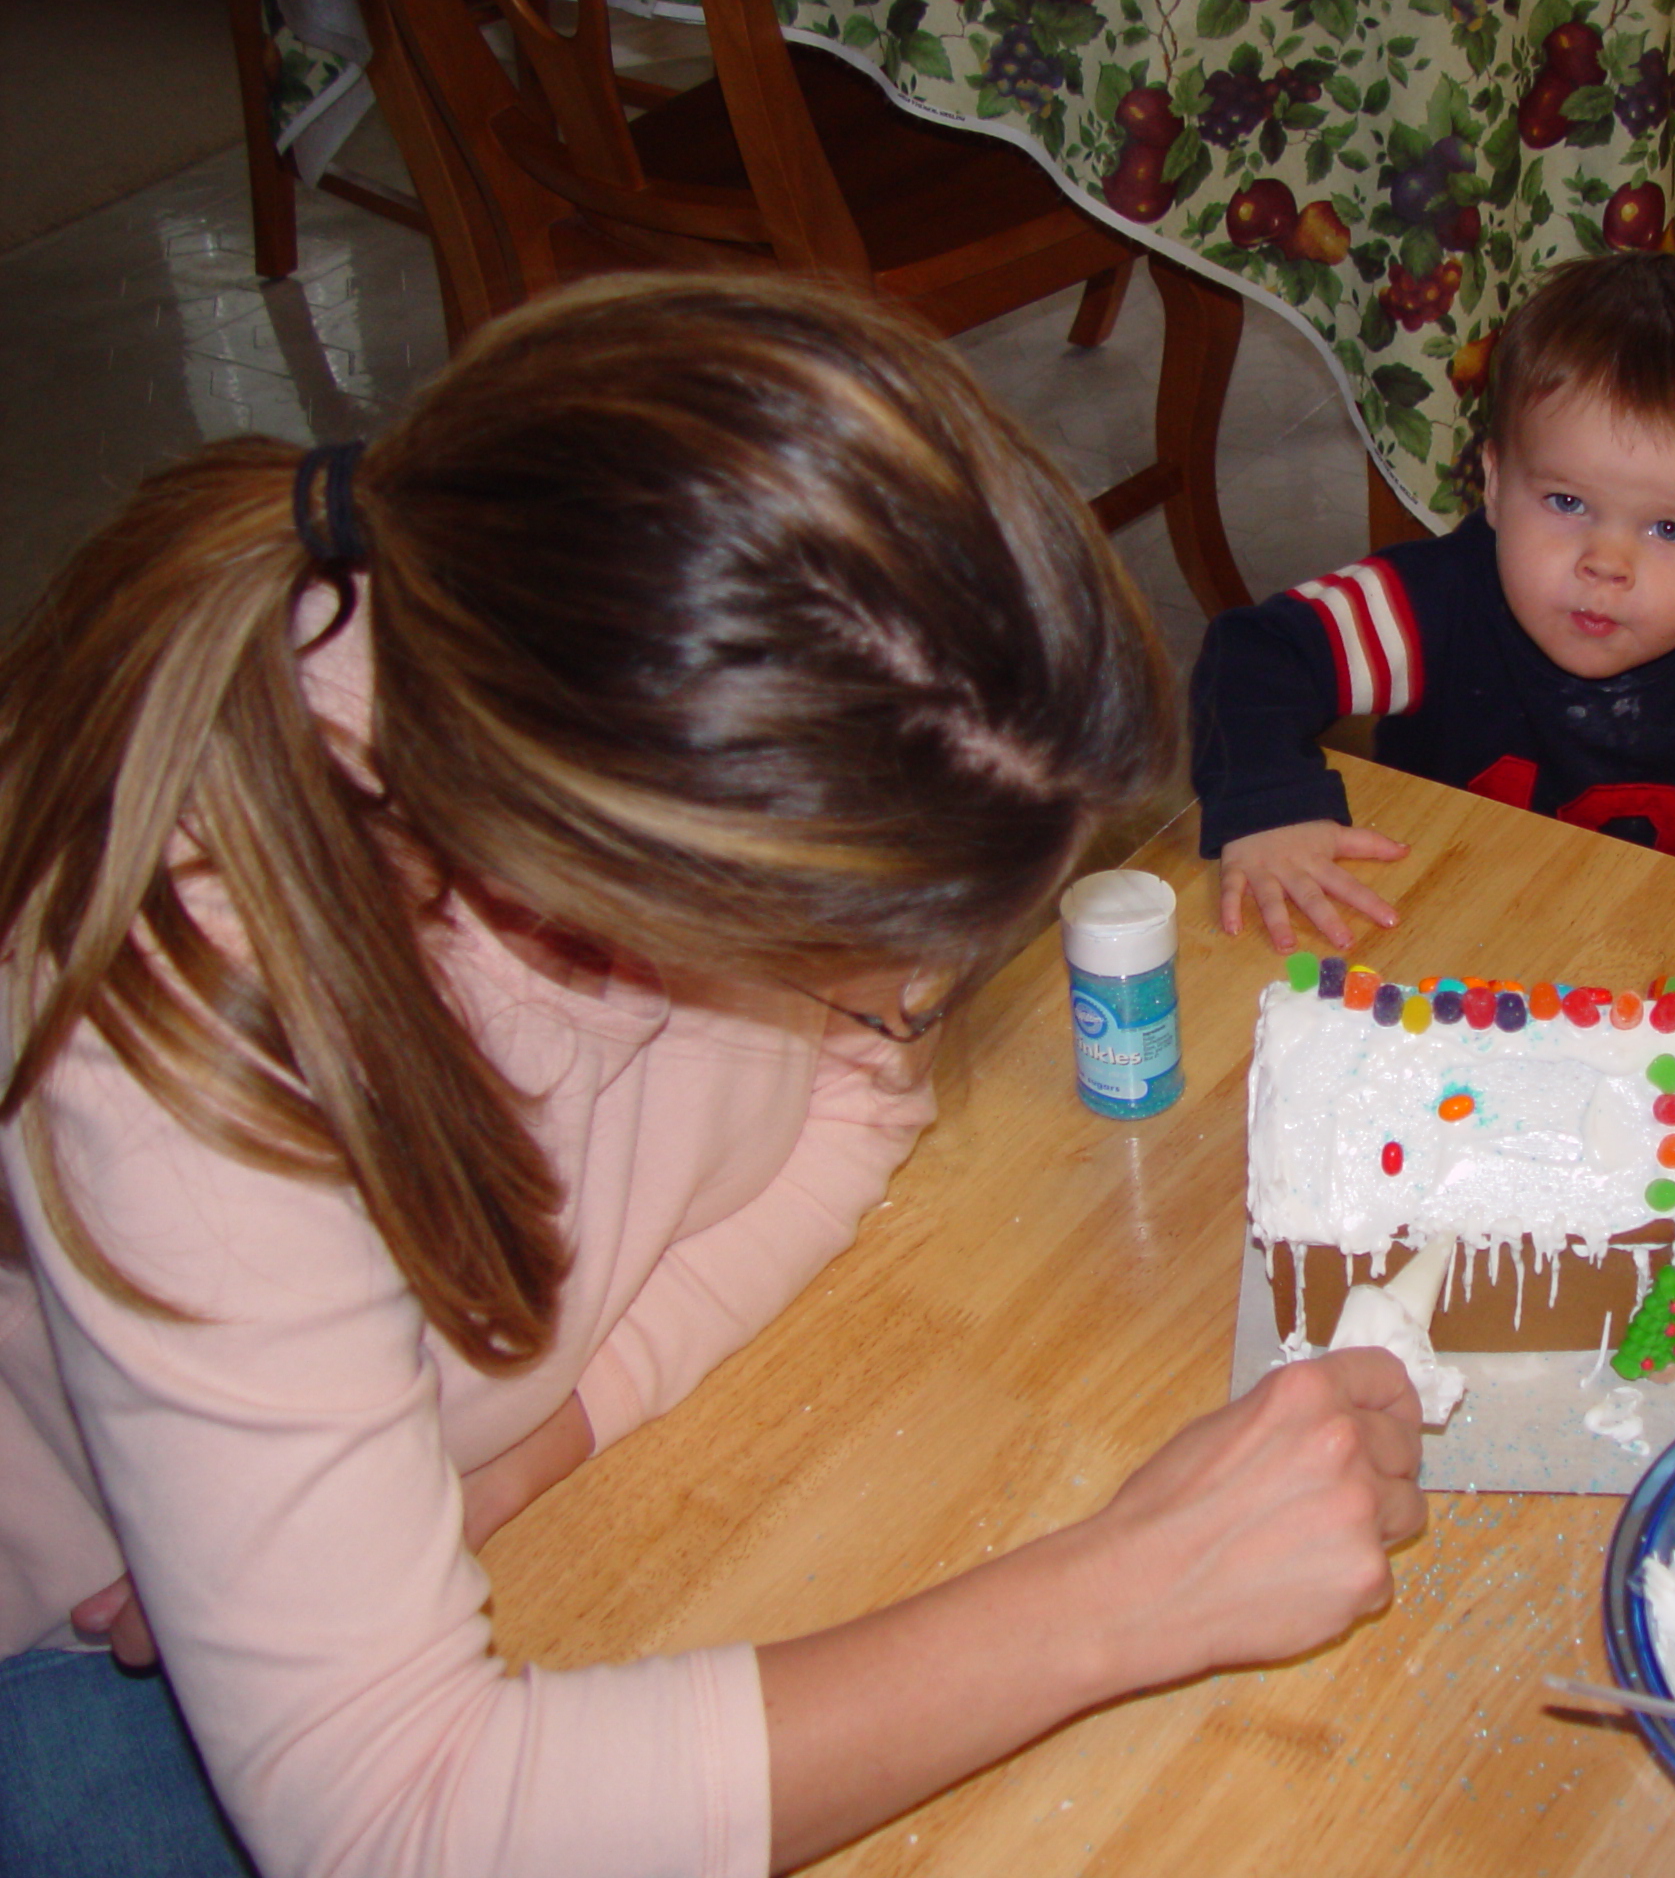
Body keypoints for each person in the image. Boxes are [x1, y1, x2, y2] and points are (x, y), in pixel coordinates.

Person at [0, 273, 1425, 1878]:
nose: (908, 1013)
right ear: (618, 892)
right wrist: (1123, 1595)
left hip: (456, 1513)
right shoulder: (193, 1010)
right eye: (858, 962)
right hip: (78, 1629)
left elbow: (853, 1107)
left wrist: (534, 1446)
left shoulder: (659, 752)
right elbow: (392, 1822)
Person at [1190, 252, 1675, 970]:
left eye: (1670, 529)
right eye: (1566, 501)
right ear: (1492, 483)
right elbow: (1255, 655)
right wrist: (1269, 804)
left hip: (1640, 964)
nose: (1606, 563)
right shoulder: (1437, 603)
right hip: (1424, 941)